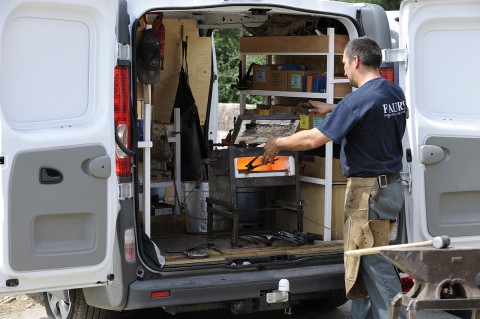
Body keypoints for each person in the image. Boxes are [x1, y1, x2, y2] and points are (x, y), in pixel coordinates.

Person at [262, 36, 407, 319]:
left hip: (368, 194)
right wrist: (333, 110)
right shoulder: (393, 92)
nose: (344, 71)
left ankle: (397, 315)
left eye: (343, 64)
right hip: (390, 186)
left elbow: (312, 140)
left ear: (356, 61)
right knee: (360, 261)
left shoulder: (357, 100)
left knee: (372, 259)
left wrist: (277, 144)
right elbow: (370, 113)